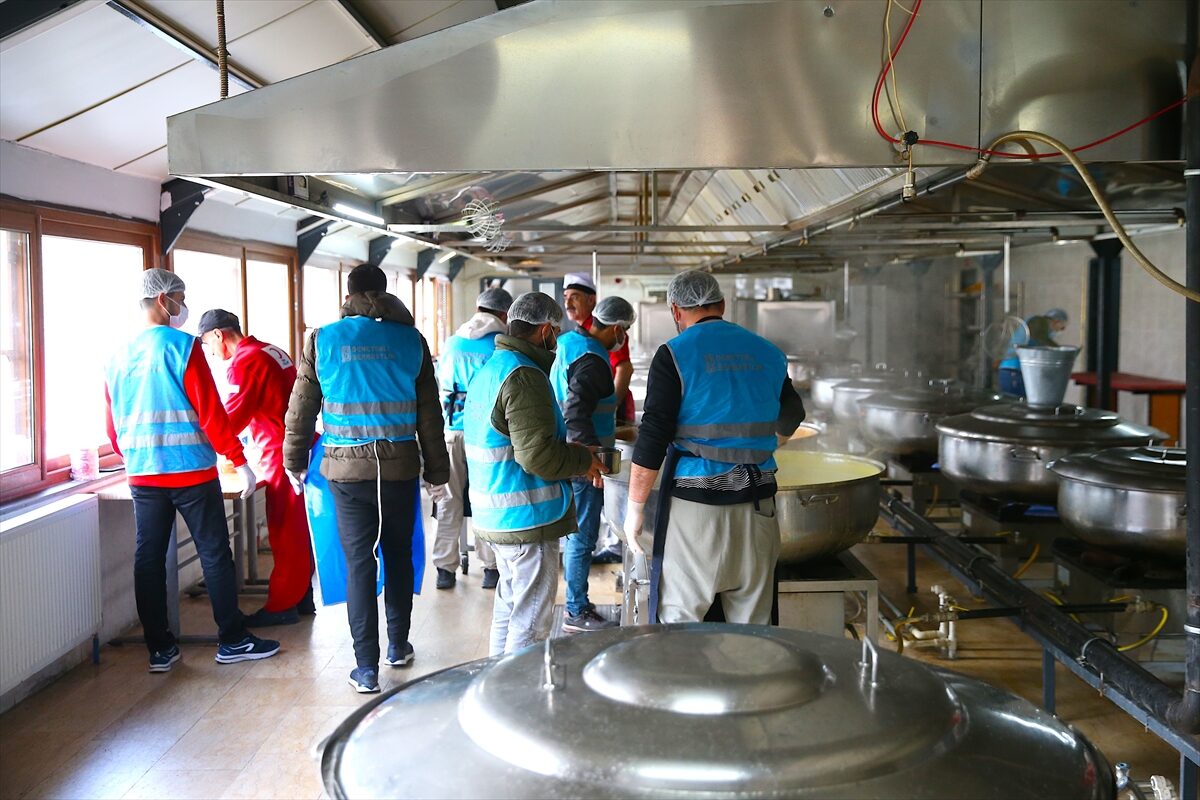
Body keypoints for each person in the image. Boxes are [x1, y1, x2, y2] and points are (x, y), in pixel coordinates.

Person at [283, 264, 450, 694]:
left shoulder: (322, 339)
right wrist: (438, 472)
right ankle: (398, 646)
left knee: (359, 562)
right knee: (398, 553)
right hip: (398, 469)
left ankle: (366, 668)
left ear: (348, 294)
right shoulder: (411, 340)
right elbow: (430, 415)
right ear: (386, 292)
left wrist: (294, 460)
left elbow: (301, 408)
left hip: (346, 472)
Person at [104, 269, 280, 672]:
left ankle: (160, 650)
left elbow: (112, 429)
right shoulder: (183, 347)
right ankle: (232, 640)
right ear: (162, 299)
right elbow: (211, 411)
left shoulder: (116, 355)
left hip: (143, 474)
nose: (183, 307)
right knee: (214, 553)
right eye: (180, 299)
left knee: (148, 559)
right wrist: (238, 460)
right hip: (191, 473)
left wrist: (136, 456)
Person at [622, 270, 805, 625]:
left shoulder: (674, 354)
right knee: (752, 630)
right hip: (758, 509)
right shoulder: (767, 351)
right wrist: (757, 446)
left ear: (676, 311)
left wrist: (635, 510)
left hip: (696, 514)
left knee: (681, 625)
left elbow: (654, 435)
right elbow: (792, 415)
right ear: (722, 304)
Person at [463, 292, 605, 655]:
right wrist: (582, 459)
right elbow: (537, 456)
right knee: (530, 623)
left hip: (496, 513)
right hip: (526, 516)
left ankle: (496, 681)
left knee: (509, 609)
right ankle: (517, 688)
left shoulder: (493, 369)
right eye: (555, 331)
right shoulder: (524, 375)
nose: (556, 340)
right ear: (545, 330)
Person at [197, 309, 315, 626]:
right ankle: (302, 597)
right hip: (299, 446)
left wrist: (208, 442)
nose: (211, 353)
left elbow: (232, 419)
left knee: (285, 531)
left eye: (208, 344)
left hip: (280, 452)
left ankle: (283, 606)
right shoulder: (272, 350)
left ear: (219, 334)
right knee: (299, 530)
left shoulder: (245, 362)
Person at [550, 295, 636, 633]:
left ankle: (575, 606)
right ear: (616, 328)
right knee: (582, 537)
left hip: (563, 451)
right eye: (625, 330)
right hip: (584, 462)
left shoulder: (567, 343)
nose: (624, 337)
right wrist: (589, 456)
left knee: (575, 534)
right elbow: (575, 410)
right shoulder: (594, 360)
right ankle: (576, 610)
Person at [432, 287, 513, 591]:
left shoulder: (452, 342)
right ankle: (490, 567)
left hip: (451, 430)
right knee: (486, 498)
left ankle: (444, 568)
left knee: (448, 499)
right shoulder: (500, 344)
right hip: (487, 435)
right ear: (504, 314)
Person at [563, 273, 635, 423]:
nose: (568, 304)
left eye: (574, 297)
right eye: (565, 297)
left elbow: (624, 369)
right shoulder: (578, 335)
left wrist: (613, 407)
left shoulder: (607, 331)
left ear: (591, 300)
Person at [997, 308, 1069, 396]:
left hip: (1014, 370)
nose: (1058, 331)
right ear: (1056, 321)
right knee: (1018, 402)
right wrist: (1060, 350)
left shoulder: (1041, 328)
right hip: (1015, 370)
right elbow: (1040, 338)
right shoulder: (1039, 321)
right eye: (1062, 328)